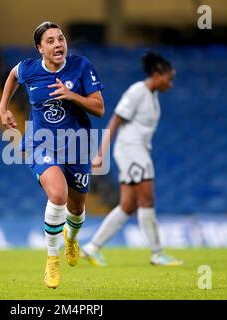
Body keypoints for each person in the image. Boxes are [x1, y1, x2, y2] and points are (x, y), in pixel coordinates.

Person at [0, 21, 105, 289]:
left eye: (61, 39)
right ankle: (51, 259)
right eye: (51, 41)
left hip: (76, 145)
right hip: (41, 144)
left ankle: (72, 237)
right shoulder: (29, 69)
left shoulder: (81, 66)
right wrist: (3, 107)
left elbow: (99, 108)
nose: (58, 44)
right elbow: (12, 75)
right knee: (58, 195)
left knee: (77, 209)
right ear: (40, 48)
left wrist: (72, 96)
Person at [82, 52, 183, 267]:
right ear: (157, 73)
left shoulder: (152, 97)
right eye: (169, 78)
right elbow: (115, 120)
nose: (171, 84)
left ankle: (92, 248)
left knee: (128, 205)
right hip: (132, 151)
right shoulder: (138, 91)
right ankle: (157, 253)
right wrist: (101, 153)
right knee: (147, 200)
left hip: (137, 151)